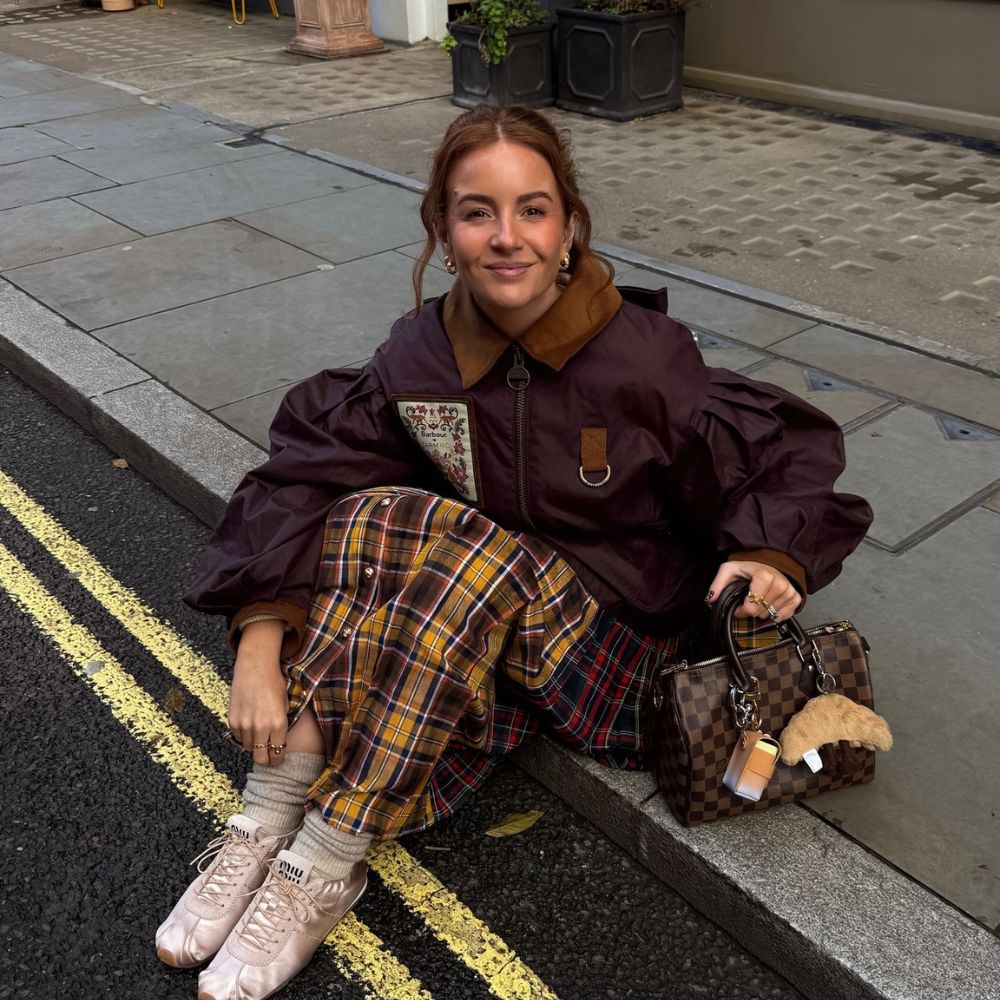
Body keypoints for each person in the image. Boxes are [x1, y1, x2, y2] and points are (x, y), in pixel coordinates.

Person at [155, 104, 872, 1000]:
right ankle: (268, 817)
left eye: (532, 209)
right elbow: (305, 474)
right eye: (476, 212)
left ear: (569, 226)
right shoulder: (418, 355)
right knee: (374, 514)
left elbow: (783, 453)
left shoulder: (646, 360)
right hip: (476, 636)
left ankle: (328, 859)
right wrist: (260, 642)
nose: (507, 238)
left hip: (617, 654)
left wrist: (769, 551)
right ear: (442, 231)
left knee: (466, 550)